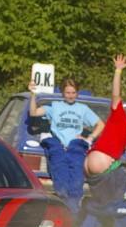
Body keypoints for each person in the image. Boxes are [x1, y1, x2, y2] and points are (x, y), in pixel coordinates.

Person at [80, 55, 126, 227]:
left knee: (101, 203)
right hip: (98, 165)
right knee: (122, 204)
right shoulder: (119, 116)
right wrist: (118, 71)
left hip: (93, 168)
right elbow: (116, 95)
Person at [28, 77, 104, 214]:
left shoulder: (83, 109)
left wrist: (90, 138)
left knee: (76, 181)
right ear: (62, 92)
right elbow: (34, 113)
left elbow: (101, 125)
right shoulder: (55, 106)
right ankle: (63, 206)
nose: (70, 95)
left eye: (73, 92)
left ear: (77, 93)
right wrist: (33, 94)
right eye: (68, 92)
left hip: (75, 148)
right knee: (60, 177)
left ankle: (73, 213)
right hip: (58, 146)